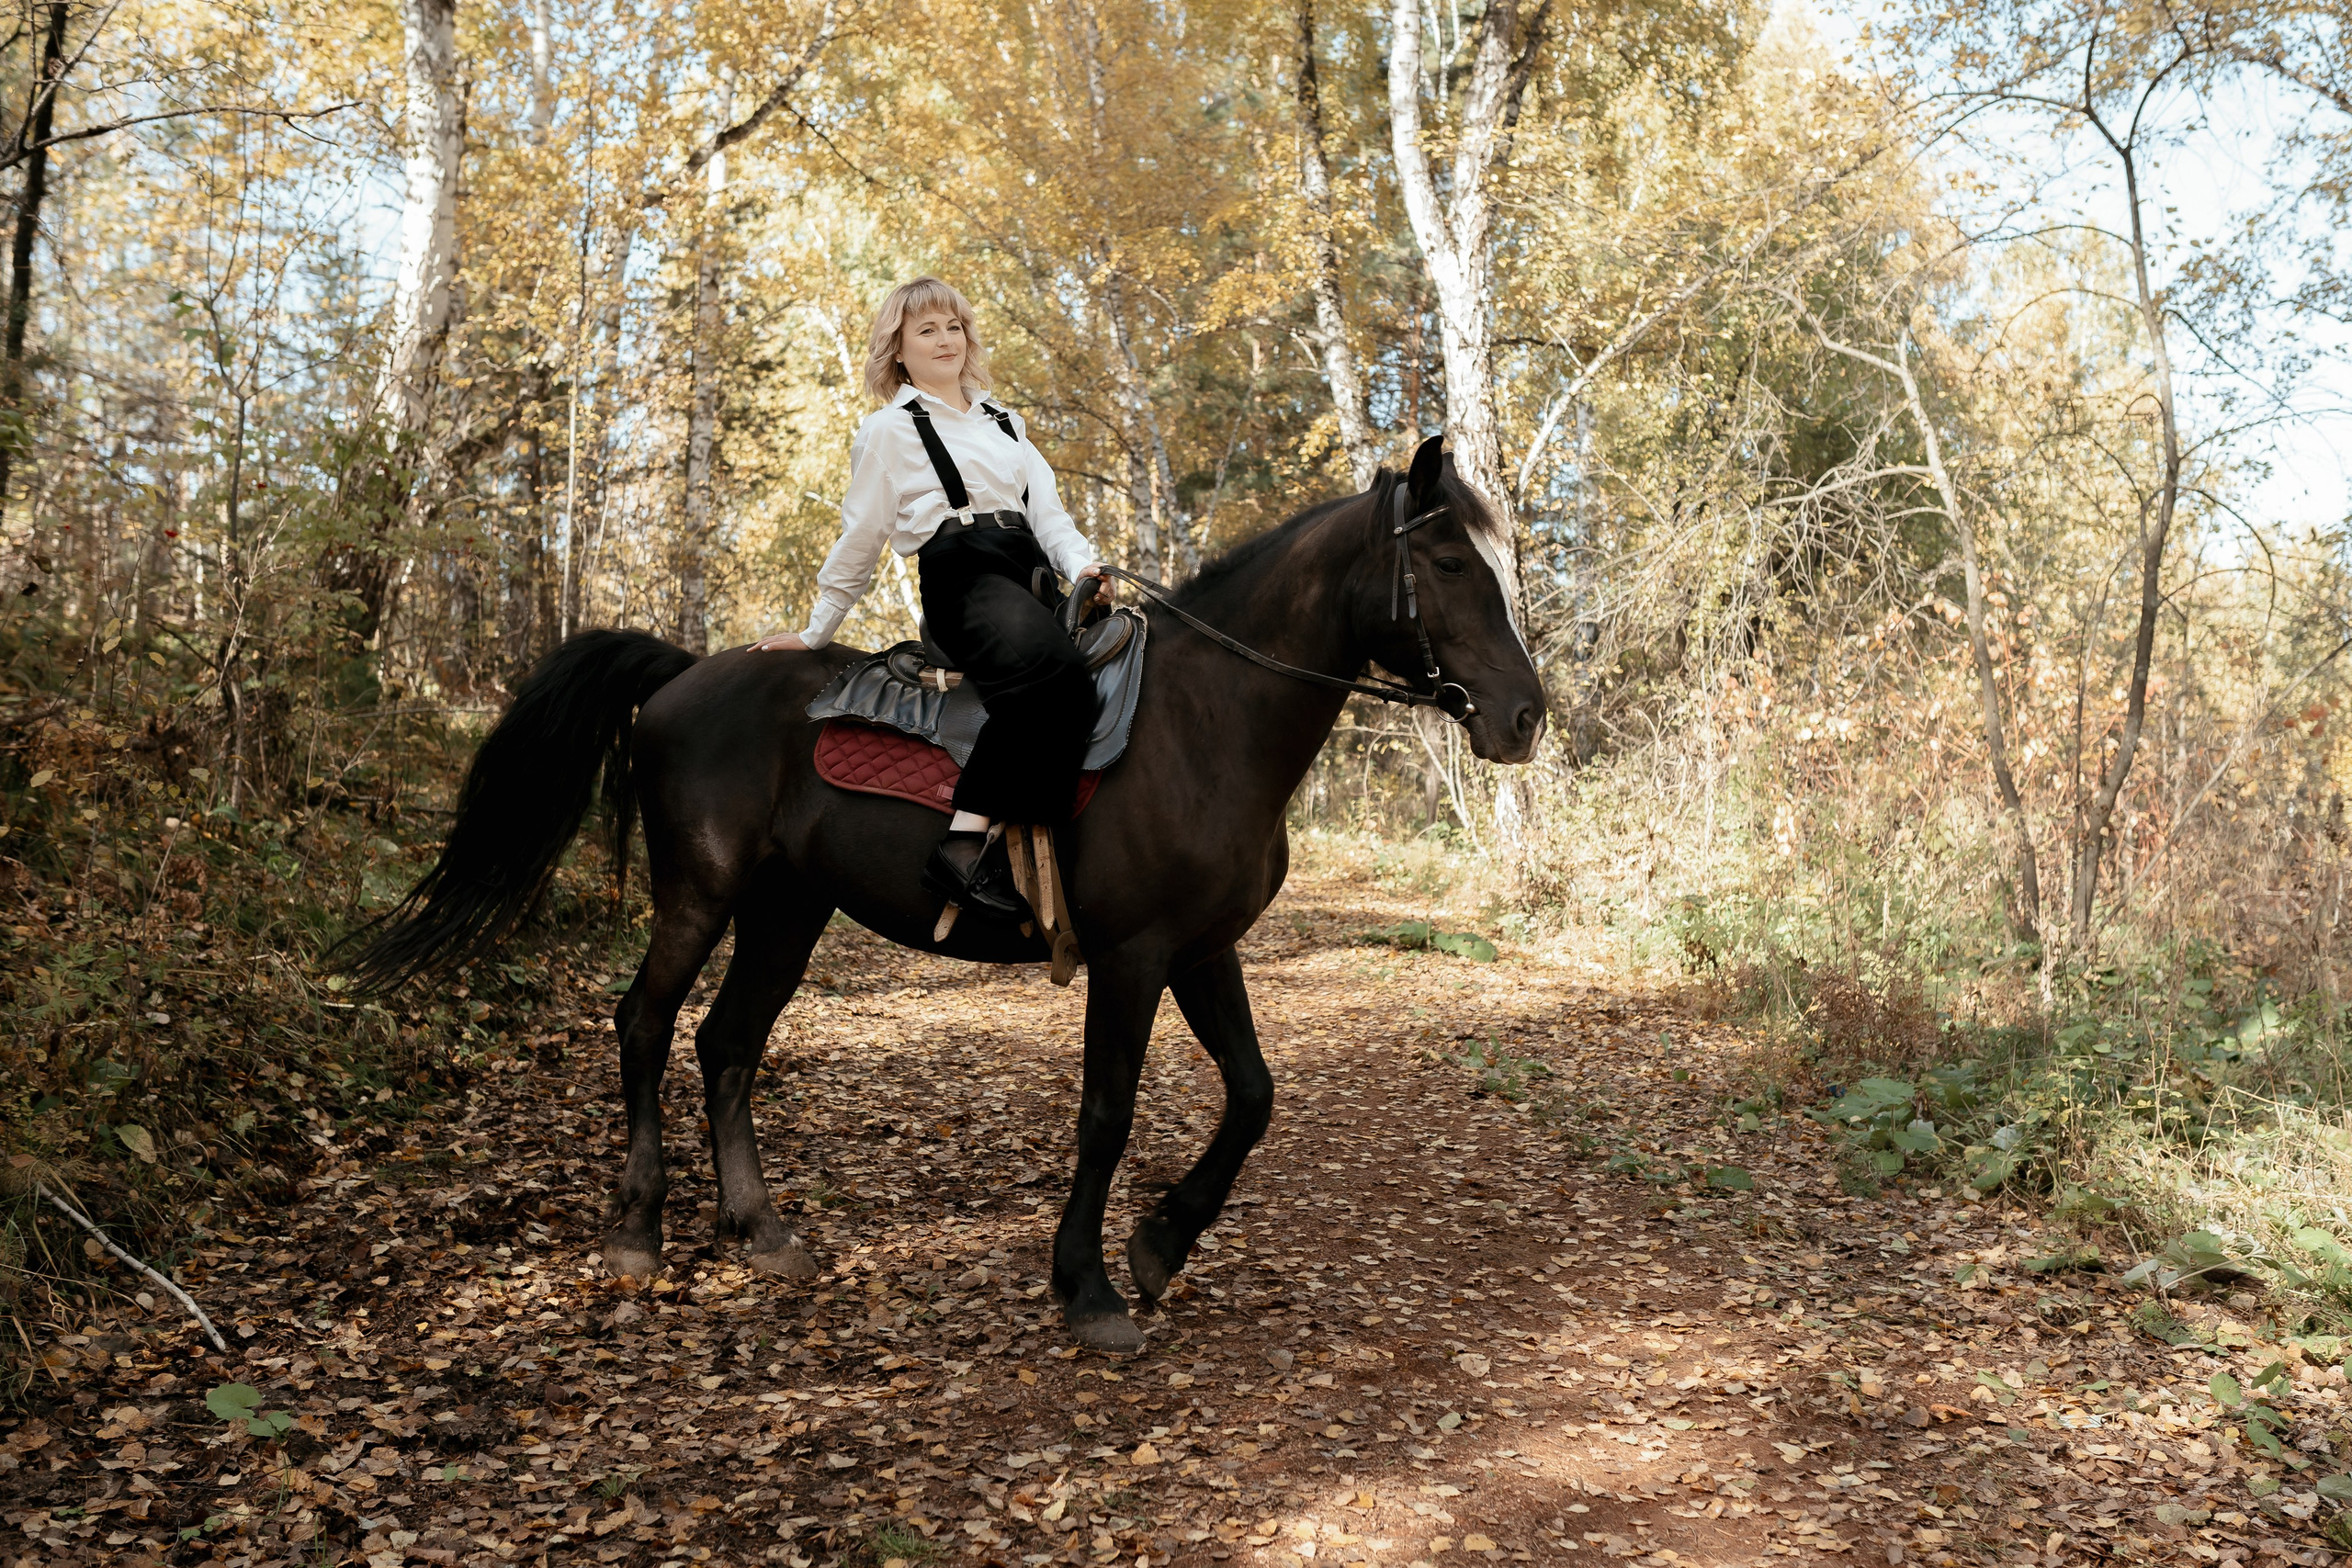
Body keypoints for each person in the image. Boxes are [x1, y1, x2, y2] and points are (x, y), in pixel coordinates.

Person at [752, 277, 1112, 926]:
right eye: (926, 330)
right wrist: (817, 629)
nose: (945, 339)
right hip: (962, 580)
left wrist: (1084, 563)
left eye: (953, 326)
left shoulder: (1006, 422)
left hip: (1030, 575)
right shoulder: (888, 431)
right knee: (1053, 678)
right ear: (898, 350)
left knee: (1099, 677)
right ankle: (963, 846)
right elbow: (862, 533)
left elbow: (1049, 516)